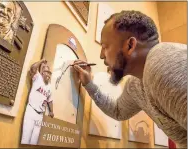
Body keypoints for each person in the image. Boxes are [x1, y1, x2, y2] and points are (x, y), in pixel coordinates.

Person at [73, 10, 187, 148]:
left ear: (130, 45)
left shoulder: (163, 63)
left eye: (105, 47)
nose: (101, 55)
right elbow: (118, 111)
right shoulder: (136, 84)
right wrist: (88, 83)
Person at [21, 59, 54, 145]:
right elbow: (33, 68)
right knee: (25, 139)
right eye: (46, 72)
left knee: (34, 141)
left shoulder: (49, 86)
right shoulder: (37, 77)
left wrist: (51, 111)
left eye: (49, 73)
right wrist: (42, 61)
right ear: (42, 72)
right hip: (31, 110)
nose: (48, 74)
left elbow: (50, 100)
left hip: (40, 115)